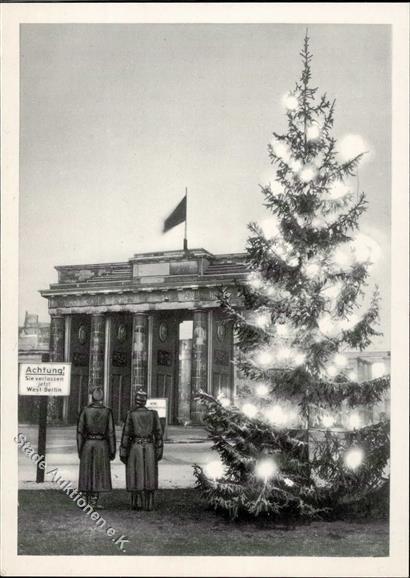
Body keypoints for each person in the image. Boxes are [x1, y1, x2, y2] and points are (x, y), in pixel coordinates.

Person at [120, 387, 163, 510]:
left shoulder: (131, 414)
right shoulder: (153, 414)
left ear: (136, 401)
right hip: (150, 447)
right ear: (145, 401)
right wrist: (159, 451)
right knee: (150, 475)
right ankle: (149, 504)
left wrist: (123, 452)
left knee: (135, 474)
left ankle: (135, 503)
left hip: (135, 447)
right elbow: (159, 434)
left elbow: (126, 434)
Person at [76, 387, 116, 508]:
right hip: (102, 445)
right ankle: (94, 501)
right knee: (98, 472)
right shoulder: (107, 411)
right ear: (102, 398)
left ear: (92, 397)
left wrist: (80, 449)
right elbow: (111, 433)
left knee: (87, 471)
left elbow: (79, 432)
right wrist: (112, 450)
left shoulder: (85, 411)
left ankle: (84, 500)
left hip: (88, 444)